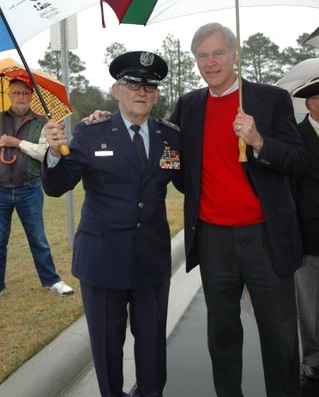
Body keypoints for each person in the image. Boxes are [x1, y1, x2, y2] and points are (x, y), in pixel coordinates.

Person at [87, 23, 308, 396]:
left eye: (218, 53)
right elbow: (150, 129)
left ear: (234, 54)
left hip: (265, 237)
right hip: (213, 238)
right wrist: (106, 119)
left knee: (280, 335)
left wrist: (258, 140)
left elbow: (300, 161)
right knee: (221, 334)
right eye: (202, 56)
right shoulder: (189, 105)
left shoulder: (271, 100)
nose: (211, 62)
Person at [41, 51, 182, 397]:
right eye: (132, 83)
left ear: (157, 94)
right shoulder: (92, 133)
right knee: (106, 349)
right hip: (102, 261)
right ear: (117, 90)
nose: (141, 91)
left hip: (151, 258)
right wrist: (53, 151)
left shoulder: (171, 136)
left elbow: (189, 182)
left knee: (152, 348)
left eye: (149, 86)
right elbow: (57, 187)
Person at [0, 76, 73, 297]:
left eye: (25, 93)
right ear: (9, 95)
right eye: (16, 92)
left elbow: (44, 154)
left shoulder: (43, 123)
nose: (21, 96)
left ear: (32, 96)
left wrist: (17, 143)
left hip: (29, 188)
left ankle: (52, 280)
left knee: (38, 238)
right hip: (1, 189)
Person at [291, 79, 319, 382]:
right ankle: (313, 358)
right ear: (310, 103)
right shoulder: (296, 137)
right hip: (310, 232)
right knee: (310, 303)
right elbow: (290, 188)